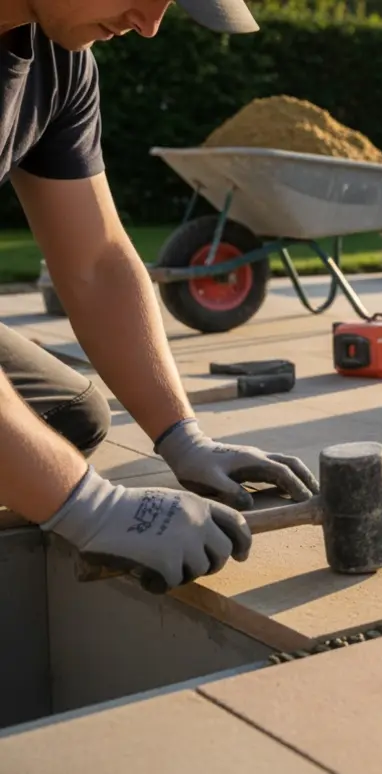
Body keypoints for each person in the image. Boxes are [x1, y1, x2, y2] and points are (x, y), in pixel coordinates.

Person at [0, 0, 319, 592]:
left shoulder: (61, 62)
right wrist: (89, 505)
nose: (150, 23)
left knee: (69, 418)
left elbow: (96, 260)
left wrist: (182, 436)